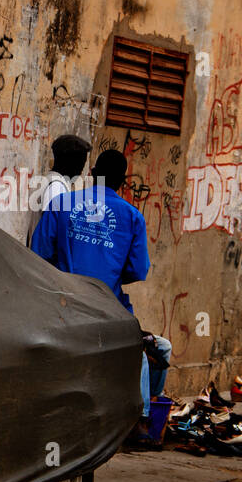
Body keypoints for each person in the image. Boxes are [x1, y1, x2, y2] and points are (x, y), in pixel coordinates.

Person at [30, 149, 163, 444]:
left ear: (92, 174)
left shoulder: (61, 204)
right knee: (146, 350)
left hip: (62, 302)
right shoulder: (132, 217)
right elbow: (136, 270)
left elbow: (38, 256)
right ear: (123, 182)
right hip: (106, 306)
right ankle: (139, 421)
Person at [29, 134, 90, 243]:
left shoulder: (52, 181)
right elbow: (50, 230)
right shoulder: (56, 187)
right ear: (71, 163)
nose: (81, 171)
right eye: (81, 164)